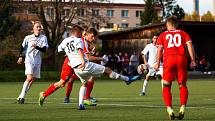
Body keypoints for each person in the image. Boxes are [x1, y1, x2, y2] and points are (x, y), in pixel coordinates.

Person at [39, 26, 139, 110]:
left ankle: (81, 102)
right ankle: (127, 79)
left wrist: (71, 54)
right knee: (64, 83)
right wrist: (85, 59)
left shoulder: (67, 40)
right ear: (80, 34)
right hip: (73, 64)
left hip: (74, 65)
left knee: (83, 81)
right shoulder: (80, 40)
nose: (83, 35)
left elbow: (60, 50)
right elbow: (80, 52)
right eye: (83, 33)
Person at [154, 15, 196, 120]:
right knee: (182, 85)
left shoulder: (163, 35)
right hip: (182, 59)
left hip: (169, 59)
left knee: (166, 86)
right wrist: (193, 60)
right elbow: (190, 46)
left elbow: (159, 50)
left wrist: (157, 63)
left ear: (167, 24)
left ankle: (169, 108)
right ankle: (182, 107)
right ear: (176, 25)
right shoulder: (183, 33)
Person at [16, 21, 48, 104]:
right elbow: (22, 48)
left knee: (32, 80)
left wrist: (36, 46)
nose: (38, 28)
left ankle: (21, 96)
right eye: (37, 27)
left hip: (37, 61)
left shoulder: (43, 38)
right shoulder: (28, 37)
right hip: (29, 59)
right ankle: (22, 97)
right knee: (29, 78)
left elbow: (44, 50)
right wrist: (20, 57)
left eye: (39, 27)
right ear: (33, 28)